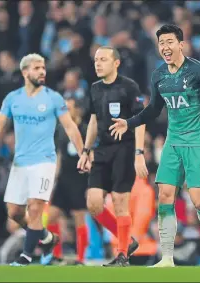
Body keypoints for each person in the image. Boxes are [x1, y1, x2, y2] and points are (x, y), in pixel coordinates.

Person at [109, 24, 200, 268]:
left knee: (199, 202)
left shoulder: (198, 70)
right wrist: (129, 123)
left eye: (169, 42)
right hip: (174, 140)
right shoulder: (159, 75)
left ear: (181, 45)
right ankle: (167, 258)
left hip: (199, 140)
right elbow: (153, 110)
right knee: (164, 195)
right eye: (161, 43)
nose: (165, 47)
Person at [0, 53, 85, 266]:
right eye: (37, 68)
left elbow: (70, 127)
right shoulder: (13, 98)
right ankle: (46, 238)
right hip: (20, 163)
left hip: (44, 161)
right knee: (14, 212)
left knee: (36, 207)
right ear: (25, 72)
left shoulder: (54, 98)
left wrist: (83, 152)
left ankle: (26, 256)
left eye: (43, 67)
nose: (42, 72)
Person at [78, 46, 148, 267]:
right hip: (102, 149)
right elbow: (93, 120)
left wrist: (139, 153)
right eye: (96, 60)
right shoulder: (95, 88)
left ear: (116, 63)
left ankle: (122, 255)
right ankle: (127, 241)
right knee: (94, 203)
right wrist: (86, 150)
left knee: (120, 202)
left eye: (103, 59)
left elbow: (140, 120)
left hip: (124, 149)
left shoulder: (129, 87)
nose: (98, 63)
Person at [40, 97, 89, 265]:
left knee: (79, 219)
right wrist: (52, 181)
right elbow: (60, 155)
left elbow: (91, 155)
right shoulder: (62, 130)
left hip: (79, 180)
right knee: (52, 216)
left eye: (69, 108)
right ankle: (56, 255)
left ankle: (81, 258)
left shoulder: (85, 130)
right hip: (63, 181)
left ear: (78, 110)